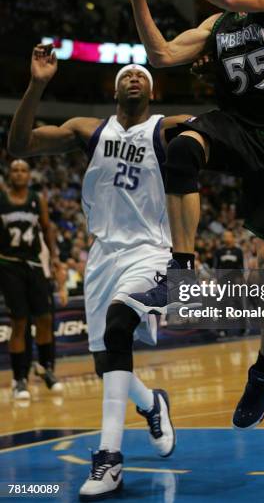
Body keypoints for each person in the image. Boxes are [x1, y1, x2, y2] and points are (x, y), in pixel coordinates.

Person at [111, 0, 264, 429]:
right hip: (235, 126)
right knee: (180, 151)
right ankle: (181, 268)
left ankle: (263, 369)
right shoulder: (217, 25)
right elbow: (159, 55)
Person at [8, 44, 190, 500]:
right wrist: (37, 84)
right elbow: (19, 146)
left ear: (152, 91)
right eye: (127, 75)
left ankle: (109, 458)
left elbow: (218, 128)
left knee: (118, 324)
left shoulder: (164, 129)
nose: (134, 78)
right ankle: (152, 405)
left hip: (151, 251)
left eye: (142, 76)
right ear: (114, 90)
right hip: (103, 254)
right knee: (107, 359)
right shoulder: (89, 130)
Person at [0, 159, 65, 399]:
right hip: (9, 264)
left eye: (23, 170)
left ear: (30, 175)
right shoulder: (2, 200)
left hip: (35, 264)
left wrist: (55, 257)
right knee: (19, 322)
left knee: (45, 318)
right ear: (9, 174)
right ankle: (19, 379)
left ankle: (46, 368)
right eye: (14, 169)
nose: (19, 173)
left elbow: (47, 228)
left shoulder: (38, 200)